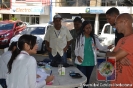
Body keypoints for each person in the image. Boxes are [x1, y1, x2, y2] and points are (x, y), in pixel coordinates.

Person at [74, 21, 113, 88]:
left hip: (91, 62)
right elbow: (76, 49)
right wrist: (77, 56)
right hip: (82, 62)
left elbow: (99, 47)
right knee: (81, 80)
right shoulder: (79, 37)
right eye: (86, 28)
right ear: (83, 28)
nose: (89, 29)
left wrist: (107, 47)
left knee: (87, 79)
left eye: (90, 27)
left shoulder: (94, 37)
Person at [106, 13, 133, 88]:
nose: (115, 26)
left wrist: (115, 56)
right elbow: (108, 56)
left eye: (116, 23)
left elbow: (112, 56)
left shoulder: (132, 39)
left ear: (125, 22)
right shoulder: (121, 40)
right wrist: (118, 57)